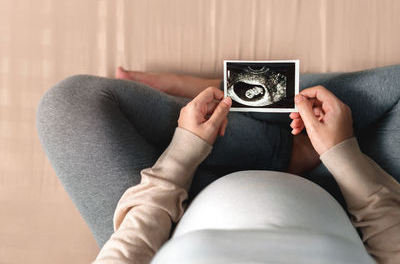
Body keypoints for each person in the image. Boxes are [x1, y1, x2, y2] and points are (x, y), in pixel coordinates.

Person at [36, 65, 400, 263]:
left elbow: (131, 250)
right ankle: (247, 98)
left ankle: (237, 94)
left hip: (172, 204)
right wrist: (343, 154)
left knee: (71, 105)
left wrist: (183, 153)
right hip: (347, 193)